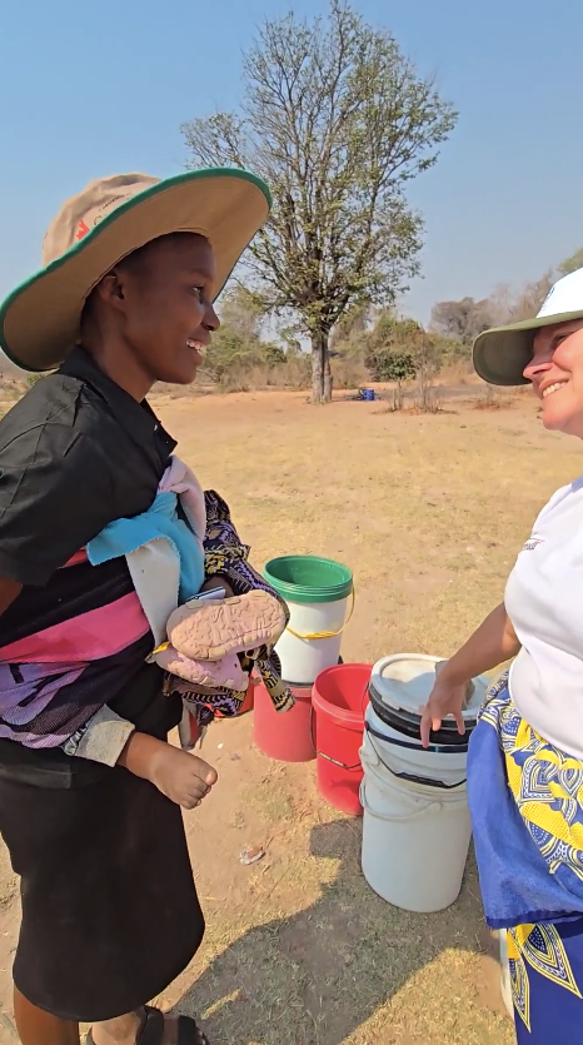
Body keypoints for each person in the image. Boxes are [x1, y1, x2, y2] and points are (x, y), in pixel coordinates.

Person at [0, 168, 272, 1046]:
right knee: (61, 952)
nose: (213, 317)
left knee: (111, 933)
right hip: (64, 763)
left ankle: (129, 1029)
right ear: (117, 288)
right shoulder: (61, 445)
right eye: (195, 290)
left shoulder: (118, 417)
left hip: (120, 737)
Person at [422, 267, 583, 1045]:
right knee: (544, 1010)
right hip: (525, 820)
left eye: (555, 339)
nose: (532, 365)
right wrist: (456, 672)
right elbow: (524, 617)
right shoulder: (569, 501)